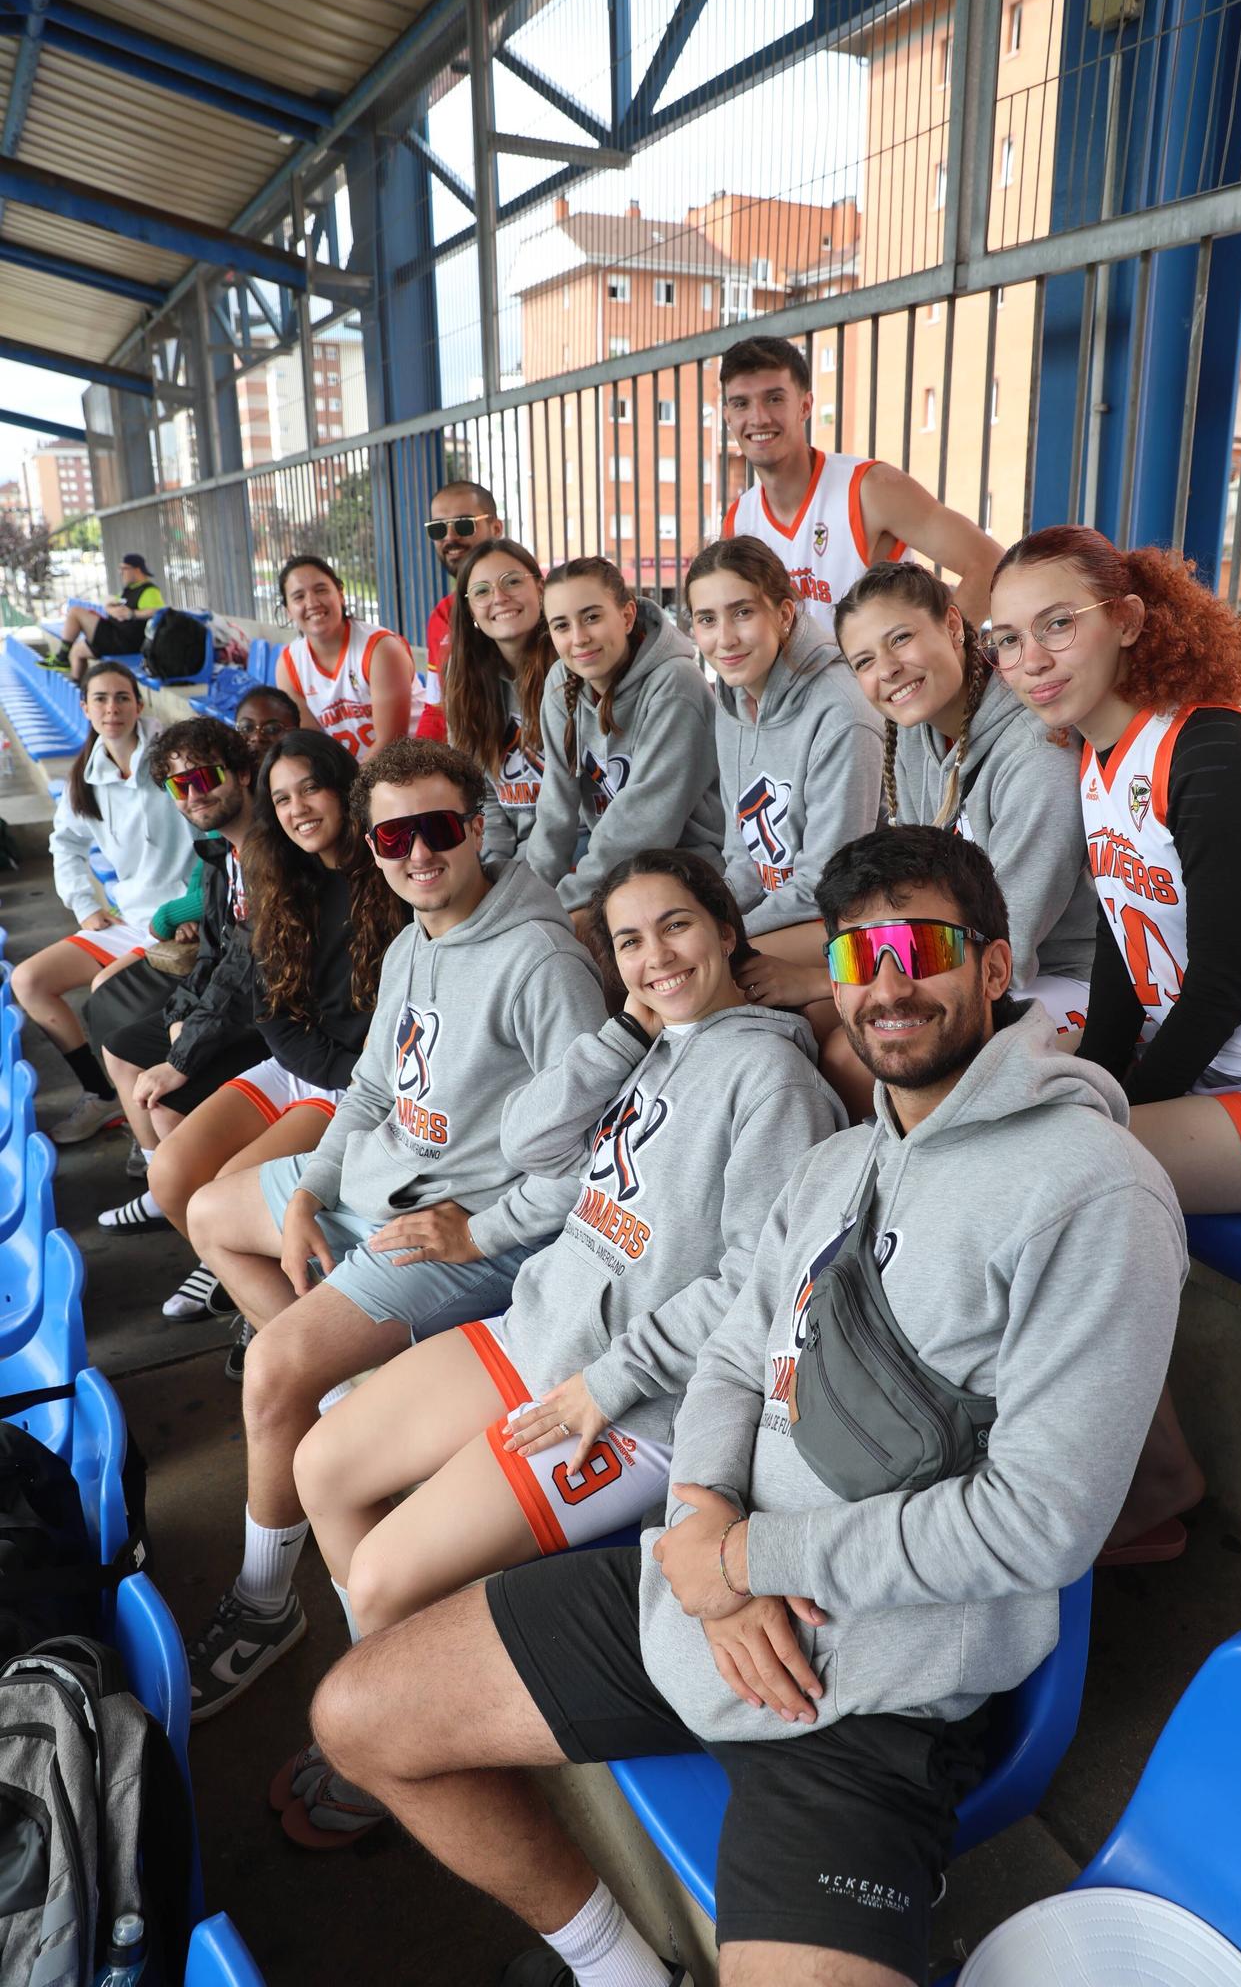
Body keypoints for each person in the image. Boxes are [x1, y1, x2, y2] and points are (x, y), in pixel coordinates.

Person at [309, 825, 1186, 1987]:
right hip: (702, 1590)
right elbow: (729, 1355)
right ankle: (617, 1967)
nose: (884, 981)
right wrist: (699, 1529)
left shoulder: (1094, 1188)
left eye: (918, 945)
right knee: (361, 1714)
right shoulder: (838, 1164)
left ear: (990, 963)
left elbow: (1040, 1521)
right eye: (853, 953)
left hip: (880, 1690)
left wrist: (744, 1558)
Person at [276, 848, 845, 1847]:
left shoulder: (772, 1075)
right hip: (542, 1327)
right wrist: (630, 1025)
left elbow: (754, 1287)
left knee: (377, 1575)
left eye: (676, 926)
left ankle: (392, 1736)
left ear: (725, 930)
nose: (655, 955)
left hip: (626, 1399)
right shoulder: (660, 1043)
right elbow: (541, 1146)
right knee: (320, 1463)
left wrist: (607, 1382)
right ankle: (389, 1707)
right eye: (630, 941)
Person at [181, 737, 608, 1720]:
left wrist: (486, 1226)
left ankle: (265, 1599)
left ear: (475, 827)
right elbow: (371, 1086)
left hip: (457, 1228)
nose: (417, 853)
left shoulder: (538, 960)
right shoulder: (415, 936)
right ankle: (334, 1396)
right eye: (392, 836)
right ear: (370, 846)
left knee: (275, 1367)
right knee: (213, 1209)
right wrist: (304, 1189)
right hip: (368, 1182)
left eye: (437, 828)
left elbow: (587, 1161)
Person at [990, 523, 1241, 1562]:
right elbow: (1120, 968)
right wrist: (1082, 1074)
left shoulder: (1214, 748)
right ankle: (1135, 1468)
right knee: (996, 1127)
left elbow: (1218, 983)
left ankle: (1147, 1482)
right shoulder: (1097, 758)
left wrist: (1105, 1109)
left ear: (1128, 620)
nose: (1031, 658)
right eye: (1005, 640)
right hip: (1232, 1079)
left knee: (1057, 1181)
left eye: (1058, 624)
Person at [97, 732, 407, 1343]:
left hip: (355, 1081)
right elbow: (267, 1003)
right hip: (299, 1061)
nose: (298, 809)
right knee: (172, 1175)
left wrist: (345, 1074)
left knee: (224, 1189)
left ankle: (299, 1339)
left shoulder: (387, 874)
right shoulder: (279, 874)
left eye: (311, 788)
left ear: (347, 790)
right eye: (283, 797)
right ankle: (254, 1302)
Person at [836, 557, 1095, 1025]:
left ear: (953, 624)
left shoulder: (1038, 752)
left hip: (1059, 977)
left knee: (860, 1044)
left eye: (901, 638)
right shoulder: (916, 732)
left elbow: (1012, 943)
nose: (889, 669)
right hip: (957, 961)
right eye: (865, 661)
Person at [687, 535, 882, 1004]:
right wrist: (702, 916)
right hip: (787, 910)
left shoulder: (840, 711)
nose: (725, 638)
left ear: (784, 614)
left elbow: (827, 880)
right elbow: (743, 854)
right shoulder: (732, 698)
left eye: (743, 612)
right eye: (707, 619)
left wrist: (722, 937)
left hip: (849, 914)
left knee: (709, 976)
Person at [11, 661, 196, 1144]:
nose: (111, 708)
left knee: (104, 990)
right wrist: (83, 905)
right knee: (29, 980)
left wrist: (198, 906)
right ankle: (102, 1096)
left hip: (173, 920)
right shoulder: (85, 776)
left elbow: (211, 834)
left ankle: (147, 1127)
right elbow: (64, 844)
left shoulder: (172, 759)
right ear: (85, 707)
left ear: (139, 703)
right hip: (128, 917)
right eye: (100, 699)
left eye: (121, 697)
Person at [720, 336, 1001, 631]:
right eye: (741, 404)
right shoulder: (739, 520)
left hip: (876, 676)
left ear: (805, 406)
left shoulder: (870, 488)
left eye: (774, 399)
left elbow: (989, 565)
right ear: (728, 416)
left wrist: (945, 652)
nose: (758, 418)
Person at [99, 717, 265, 1188]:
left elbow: (246, 971)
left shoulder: (269, 855)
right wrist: (180, 1015)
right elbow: (214, 956)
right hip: (232, 1011)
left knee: (167, 1102)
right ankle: (163, 1187)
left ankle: (203, 1223)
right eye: (179, 785)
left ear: (243, 773)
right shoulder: (218, 857)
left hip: (266, 1020)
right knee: (121, 1051)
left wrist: (183, 1054)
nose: (193, 794)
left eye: (205, 777)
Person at [527, 558, 724, 936]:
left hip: (687, 865)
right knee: (530, 934)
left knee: (559, 940)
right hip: (615, 869)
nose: (578, 638)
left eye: (591, 617)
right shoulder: (561, 682)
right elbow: (555, 807)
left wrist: (556, 905)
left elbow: (644, 822)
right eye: (561, 625)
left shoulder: (676, 684)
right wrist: (530, 895)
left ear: (628, 614)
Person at [446, 539, 555, 862]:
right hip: (514, 852)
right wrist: (494, 863)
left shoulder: (572, 664)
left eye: (512, 582)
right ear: (469, 609)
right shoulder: (465, 677)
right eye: (481, 590)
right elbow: (480, 794)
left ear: (540, 587)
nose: (499, 597)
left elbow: (583, 805)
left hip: (574, 846)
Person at [275, 555, 422, 760]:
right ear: (288, 610)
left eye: (321, 590)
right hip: (355, 777)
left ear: (341, 594)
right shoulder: (288, 665)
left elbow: (390, 742)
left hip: (412, 766)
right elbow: (314, 747)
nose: (312, 602)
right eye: (298, 596)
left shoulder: (381, 648)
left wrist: (347, 789)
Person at [418, 481, 505, 741]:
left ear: (496, 528)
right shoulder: (442, 615)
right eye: (438, 528)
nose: (450, 537)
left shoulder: (535, 601)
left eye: (464, 524)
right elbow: (436, 710)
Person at [43, 553, 164, 679]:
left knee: (75, 612)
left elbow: (156, 611)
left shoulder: (150, 590)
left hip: (127, 641)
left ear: (137, 569)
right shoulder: (129, 589)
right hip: (114, 636)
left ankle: (62, 657)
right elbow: (110, 606)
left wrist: (132, 614)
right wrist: (112, 609)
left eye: (124, 568)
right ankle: (78, 688)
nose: (121, 572)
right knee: (76, 651)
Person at [234, 683, 301, 758]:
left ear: (295, 733)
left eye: (272, 729)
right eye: (247, 728)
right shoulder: (221, 767)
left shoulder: (306, 768)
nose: (257, 737)